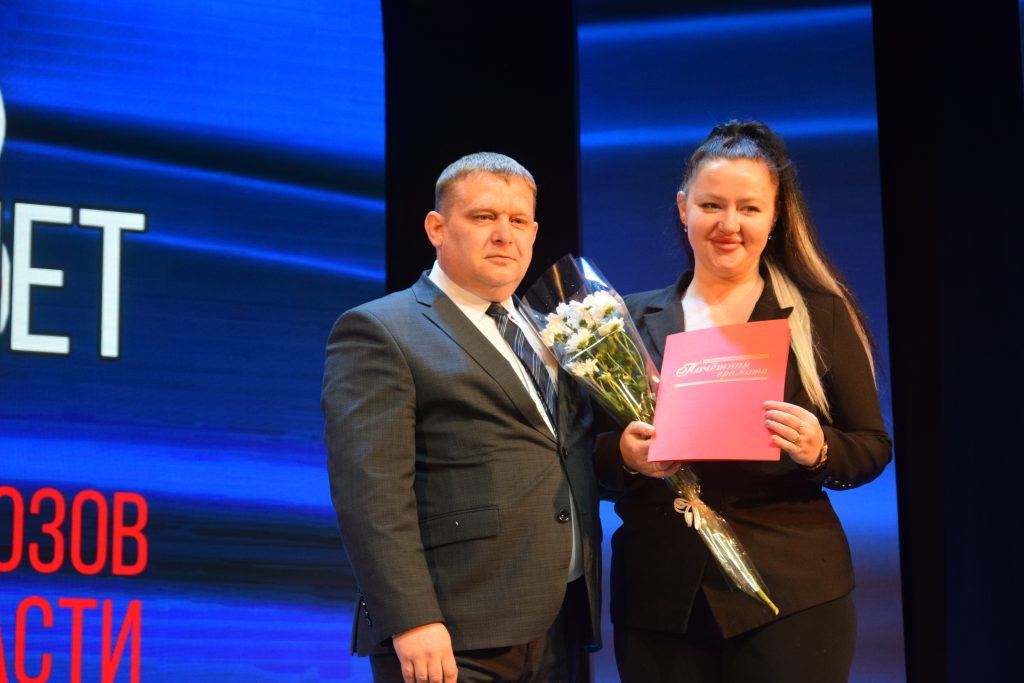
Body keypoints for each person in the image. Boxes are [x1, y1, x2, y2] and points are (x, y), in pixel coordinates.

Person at [594, 120, 892, 682]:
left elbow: (872, 448)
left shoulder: (820, 315)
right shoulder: (622, 321)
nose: (729, 225)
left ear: (775, 216)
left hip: (793, 593)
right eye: (711, 205)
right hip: (661, 599)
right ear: (683, 207)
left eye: (749, 208)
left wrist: (820, 449)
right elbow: (584, 457)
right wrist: (625, 457)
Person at [322, 152, 601, 683]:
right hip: (451, 631)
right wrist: (412, 618)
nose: (503, 234)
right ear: (437, 227)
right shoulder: (381, 329)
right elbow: (370, 493)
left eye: (518, 220)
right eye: (483, 217)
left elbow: (568, 456)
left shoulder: (552, 330)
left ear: (534, 233)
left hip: (555, 624)